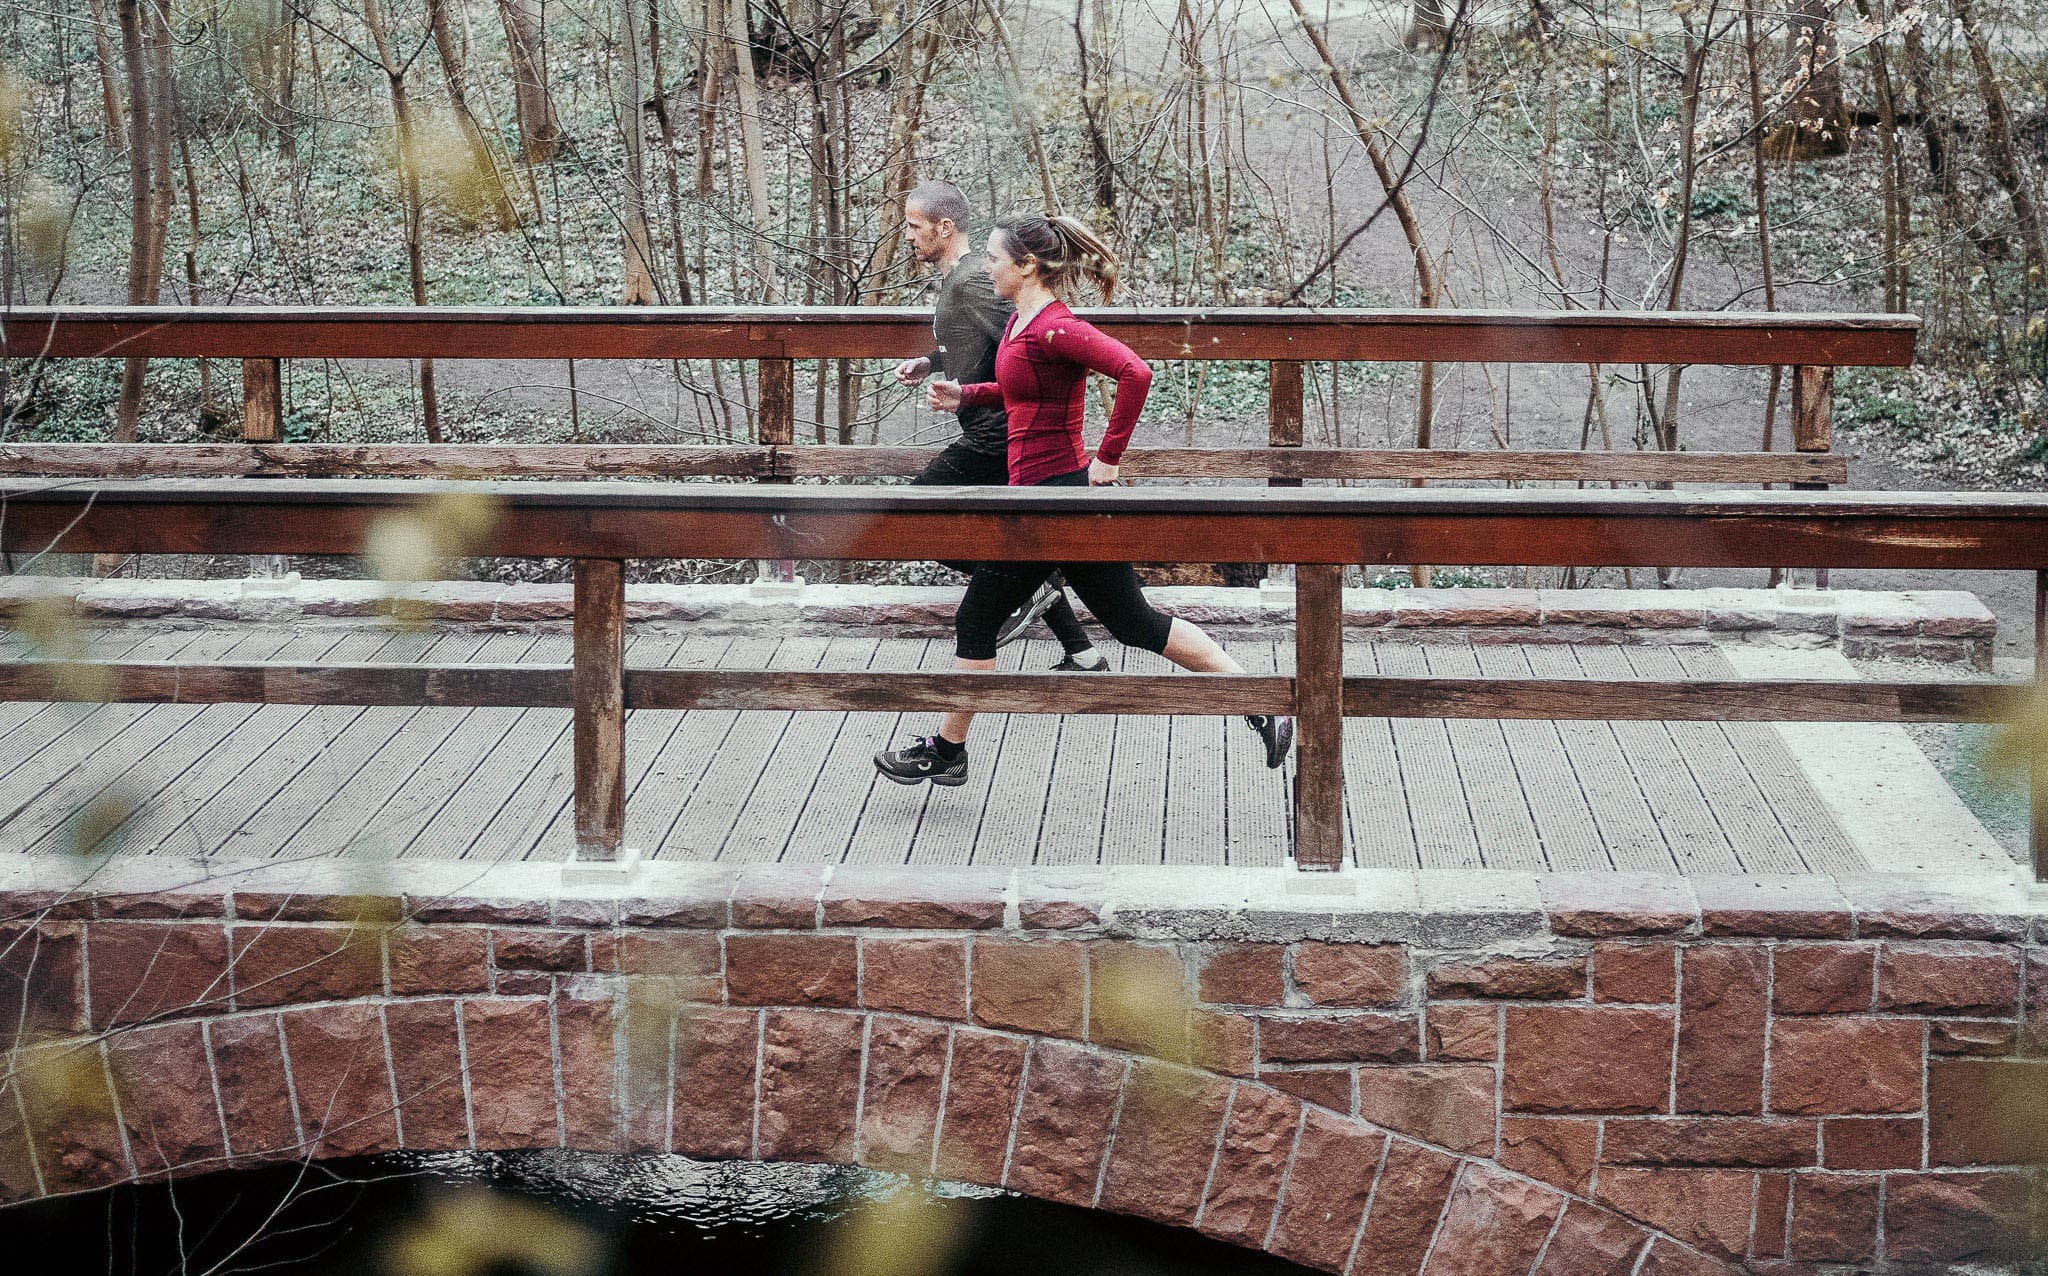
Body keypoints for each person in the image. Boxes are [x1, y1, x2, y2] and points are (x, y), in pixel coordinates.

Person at [874, 212, 1295, 787]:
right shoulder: (1024, 326)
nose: (988, 267)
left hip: (1054, 501)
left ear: (1026, 267)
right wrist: (963, 392)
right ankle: (1263, 701)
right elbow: (1022, 392)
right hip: (1049, 500)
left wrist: (1109, 456)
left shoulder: (1055, 326)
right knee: (1132, 622)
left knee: (977, 617)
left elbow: (1135, 372)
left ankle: (946, 752)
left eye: (996, 259)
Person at [893, 181, 1108, 670]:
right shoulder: (962, 279)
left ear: (944, 228)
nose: (907, 236)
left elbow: (1023, 338)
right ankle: (1083, 652)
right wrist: (933, 362)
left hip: (998, 435)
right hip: (990, 428)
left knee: (915, 516)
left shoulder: (974, 280)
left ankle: (1027, 590)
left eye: (914, 226)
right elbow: (986, 345)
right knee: (1017, 547)